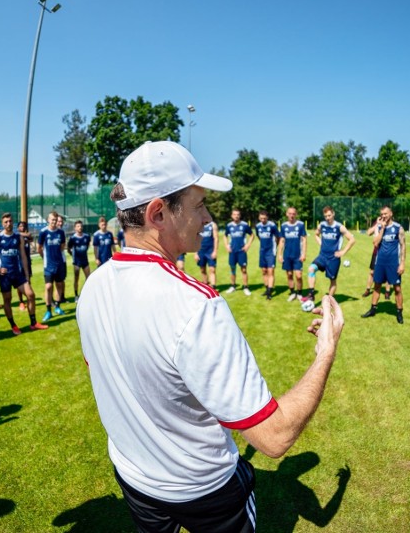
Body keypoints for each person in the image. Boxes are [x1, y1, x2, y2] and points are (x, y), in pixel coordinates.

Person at [77, 141, 345, 532]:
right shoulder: (196, 306)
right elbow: (274, 437)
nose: (208, 218)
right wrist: (326, 351)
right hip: (204, 489)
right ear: (158, 213)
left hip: (134, 477)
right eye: (199, 204)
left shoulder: (94, 286)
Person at [0, 213, 48, 334]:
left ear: (13, 222)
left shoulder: (18, 237)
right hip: (5, 276)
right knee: (7, 300)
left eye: (10, 221)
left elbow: (23, 256)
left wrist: (27, 274)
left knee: (31, 295)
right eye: (6, 222)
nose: (8, 224)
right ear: (2, 224)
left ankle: (33, 323)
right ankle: (13, 325)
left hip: (18, 273)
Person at [362, 206, 406, 324]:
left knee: (397, 288)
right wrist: (382, 228)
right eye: (382, 214)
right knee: (376, 286)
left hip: (393, 263)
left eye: (386, 213)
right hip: (380, 262)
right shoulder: (379, 226)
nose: (384, 216)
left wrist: (402, 263)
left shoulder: (398, 228)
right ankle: (372, 310)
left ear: (391, 213)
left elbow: (403, 246)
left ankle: (399, 313)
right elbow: (375, 243)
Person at [305, 206, 354, 302]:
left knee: (332, 281)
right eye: (326, 216)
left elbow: (352, 239)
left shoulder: (339, 227)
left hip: (333, 259)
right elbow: (316, 234)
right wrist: (321, 243)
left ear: (333, 214)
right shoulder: (322, 225)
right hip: (322, 256)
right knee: (311, 269)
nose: (327, 218)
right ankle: (311, 294)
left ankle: (329, 301)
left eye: (329, 215)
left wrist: (343, 252)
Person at [38, 211, 66, 322]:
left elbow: (62, 246)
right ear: (48, 220)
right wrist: (45, 257)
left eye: (55, 219)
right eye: (52, 219)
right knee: (48, 287)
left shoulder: (61, 232)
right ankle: (48, 310)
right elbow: (39, 248)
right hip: (48, 265)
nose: (54, 221)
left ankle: (58, 307)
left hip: (59, 264)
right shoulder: (43, 232)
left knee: (59, 285)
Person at [278, 207, 307, 302]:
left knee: (298, 275)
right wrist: (280, 254)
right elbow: (282, 241)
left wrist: (303, 254)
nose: (292, 215)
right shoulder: (283, 226)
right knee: (289, 275)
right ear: (287, 214)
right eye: (290, 213)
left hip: (297, 255)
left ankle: (299, 293)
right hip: (287, 255)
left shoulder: (301, 225)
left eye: (293, 213)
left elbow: (304, 240)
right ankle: (292, 292)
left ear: (296, 214)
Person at [224, 209, 253, 295]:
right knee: (232, 269)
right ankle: (233, 286)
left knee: (243, 270)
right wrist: (226, 245)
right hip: (232, 251)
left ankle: (245, 287)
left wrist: (247, 245)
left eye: (238, 214)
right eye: (234, 214)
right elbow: (225, 236)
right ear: (232, 216)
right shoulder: (229, 226)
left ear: (240, 216)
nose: (236, 216)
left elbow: (252, 235)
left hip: (241, 251)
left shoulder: (244, 225)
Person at [255, 210, 280, 300]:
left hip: (271, 252)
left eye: (264, 218)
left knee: (270, 271)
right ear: (259, 218)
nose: (263, 220)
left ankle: (270, 292)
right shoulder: (257, 226)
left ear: (267, 218)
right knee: (264, 271)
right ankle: (267, 288)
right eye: (261, 218)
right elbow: (258, 236)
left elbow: (278, 237)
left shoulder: (272, 226)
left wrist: (275, 247)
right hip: (262, 251)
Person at [68, 219, 91, 302]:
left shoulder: (86, 236)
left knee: (89, 278)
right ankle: (76, 295)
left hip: (85, 260)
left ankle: (87, 293)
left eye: (81, 226)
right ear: (75, 228)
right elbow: (68, 248)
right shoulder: (73, 238)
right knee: (76, 278)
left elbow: (87, 245)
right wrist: (72, 255)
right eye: (78, 226)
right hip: (76, 262)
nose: (80, 227)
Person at [194, 221, 219, 287]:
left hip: (210, 251)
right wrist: (196, 253)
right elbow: (195, 239)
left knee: (212, 269)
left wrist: (215, 251)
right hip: (200, 251)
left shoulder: (212, 225)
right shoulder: (198, 224)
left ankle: (213, 287)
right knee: (202, 270)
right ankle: (206, 285)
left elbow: (216, 238)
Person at [16, 221, 34, 311]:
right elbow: (19, 234)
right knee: (19, 284)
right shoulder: (17, 237)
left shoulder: (27, 236)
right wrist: (25, 235)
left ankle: (28, 300)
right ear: (18, 228)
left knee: (28, 281)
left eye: (23, 226)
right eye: (20, 226)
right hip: (19, 263)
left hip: (27, 263)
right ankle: (21, 302)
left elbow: (31, 237)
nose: (22, 227)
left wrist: (27, 235)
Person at [54, 214, 68, 304]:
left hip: (62, 259)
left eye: (61, 221)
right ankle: (53, 300)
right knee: (52, 282)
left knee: (62, 280)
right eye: (58, 221)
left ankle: (62, 297)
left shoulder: (61, 232)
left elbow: (63, 246)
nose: (60, 223)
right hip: (53, 260)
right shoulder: (51, 232)